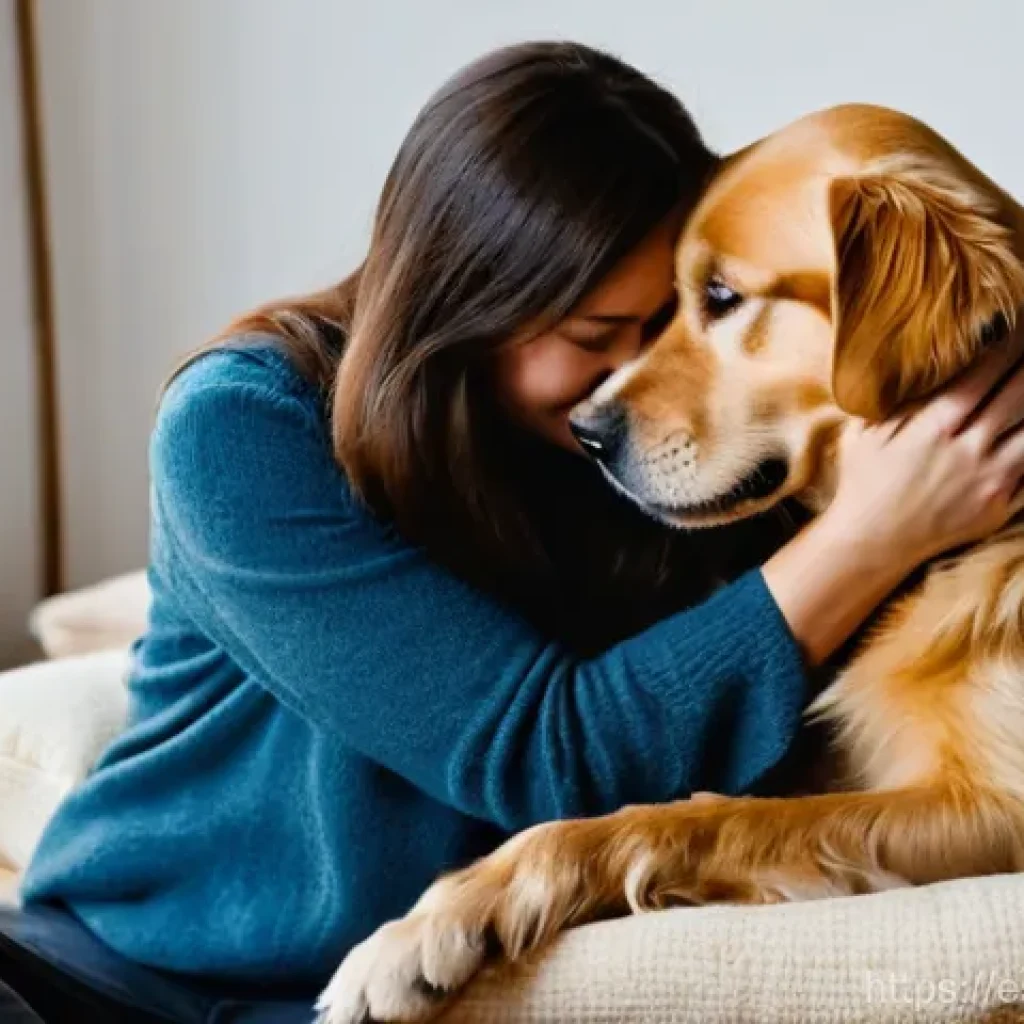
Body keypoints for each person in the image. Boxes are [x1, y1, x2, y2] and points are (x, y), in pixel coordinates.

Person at [5, 40, 1024, 1024]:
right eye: (596, 336)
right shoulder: (240, 426)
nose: (631, 382)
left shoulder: (676, 477)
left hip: (386, 994)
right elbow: (543, 755)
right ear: (471, 300)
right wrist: (869, 536)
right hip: (117, 975)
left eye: (670, 319)